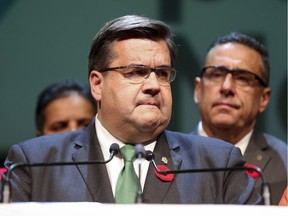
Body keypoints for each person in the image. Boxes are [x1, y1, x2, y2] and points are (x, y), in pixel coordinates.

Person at [0, 15, 261, 204]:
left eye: (162, 73)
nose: (154, 86)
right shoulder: (33, 164)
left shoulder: (218, 165)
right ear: (97, 84)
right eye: (136, 72)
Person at [191, 32, 287, 205]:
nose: (227, 87)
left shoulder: (285, 164)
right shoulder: (161, 159)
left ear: (263, 99)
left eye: (243, 78)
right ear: (198, 89)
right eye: (216, 74)